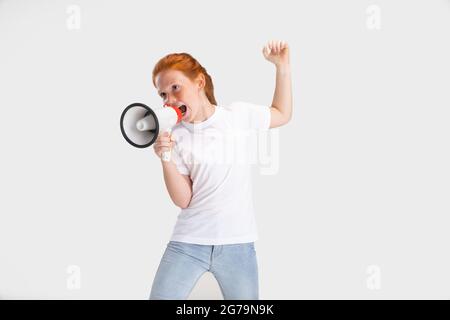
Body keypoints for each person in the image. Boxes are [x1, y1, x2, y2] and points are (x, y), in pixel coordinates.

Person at [149, 40, 293, 300]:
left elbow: (282, 113)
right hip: (188, 243)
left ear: (199, 82)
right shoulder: (176, 135)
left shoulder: (237, 116)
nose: (169, 99)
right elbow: (184, 199)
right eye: (163, 95)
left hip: (238, 244)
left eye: (175, 88)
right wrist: (165, 156)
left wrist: (282, 68)